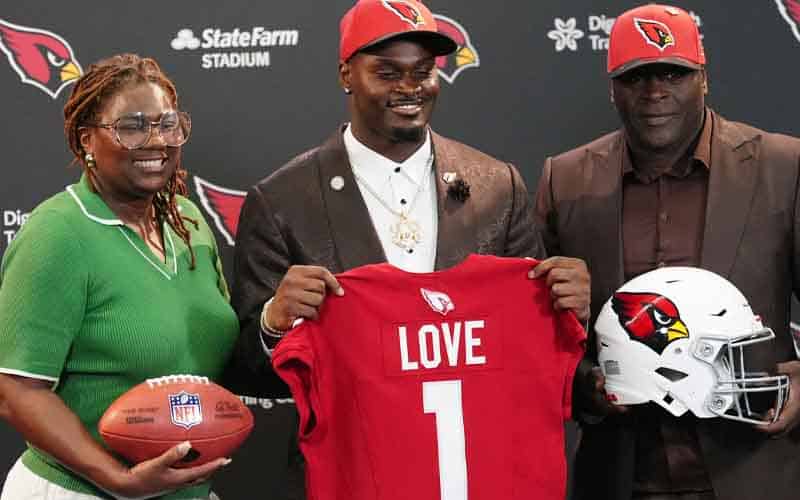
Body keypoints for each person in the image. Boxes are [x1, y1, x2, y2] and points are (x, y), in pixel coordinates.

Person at [229, 0, 590, 397]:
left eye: (423, 71)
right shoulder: (281, 202)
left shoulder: (496, 185)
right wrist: (273, 326)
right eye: (387, 73)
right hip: (355, 434)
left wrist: (569, 313)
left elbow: (531, 343)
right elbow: (248, 373)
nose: (409, 87)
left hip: (477, 430)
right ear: (346, 74)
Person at [533, 4, 800, 500]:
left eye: (673, 74)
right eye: (636, 77)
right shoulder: (565, 180)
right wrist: (587, 382)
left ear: (704, 79)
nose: (654, 92)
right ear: (612, 88)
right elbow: (534, 334)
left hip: (754, 468)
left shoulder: (783, 166)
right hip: (620, 473)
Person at [0, 54, 239, 500]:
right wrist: (119, 479)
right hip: (81, 491)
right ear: (87, 140)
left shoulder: (187, 220)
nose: (157, 141)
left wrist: (273, 321)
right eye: (132, 127)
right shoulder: (58, 232)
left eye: (168, 125)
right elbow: (16, 389)